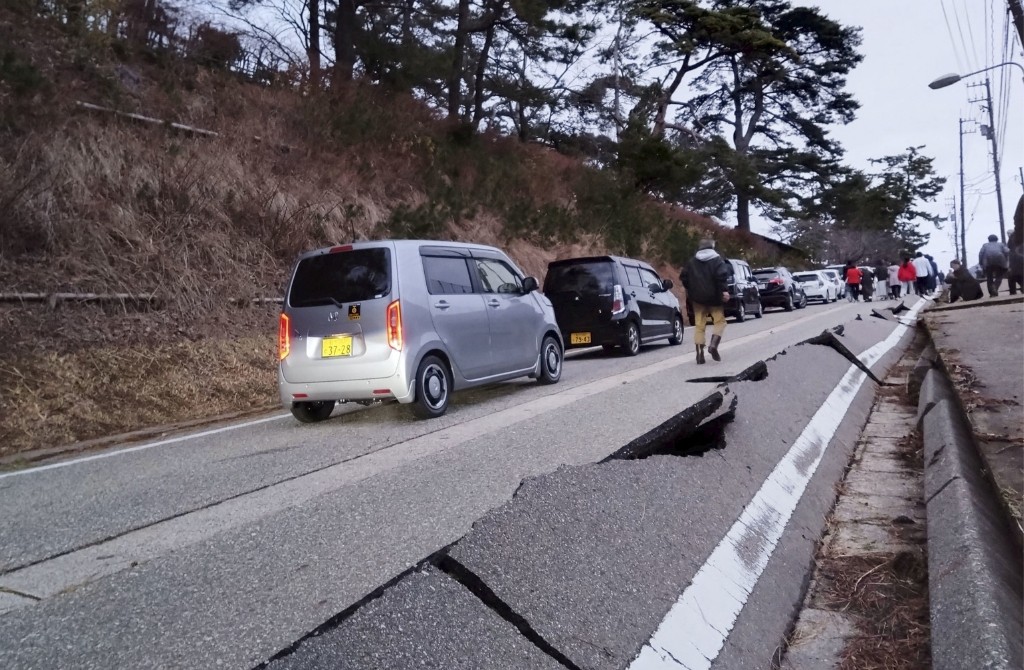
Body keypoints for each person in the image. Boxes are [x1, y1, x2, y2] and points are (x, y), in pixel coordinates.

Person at [681, 239, 731, 364]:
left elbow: (684, 277)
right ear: (712, 247)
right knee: (720, 322)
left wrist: (692, 290)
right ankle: (713, 345)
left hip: (698, 299)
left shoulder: (692, 262)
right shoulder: (717, 260)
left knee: (700, 325)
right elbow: (721, 276)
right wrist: (724, 291)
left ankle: (699, 354)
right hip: (715, 298)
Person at [1007, 229, 1023, 296]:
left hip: (1015, 257)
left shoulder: (1011, 239)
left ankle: (1012, 291)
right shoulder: (1020, 237)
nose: (1008, 235)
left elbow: (1009, 247)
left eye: (1008, 233)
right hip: (1021, 257)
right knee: (1020, 274)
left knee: (1012, 276)